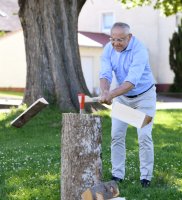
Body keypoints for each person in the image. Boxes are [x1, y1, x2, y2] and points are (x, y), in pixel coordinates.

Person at [99, 22, 156, 187]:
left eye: (120, 40)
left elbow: (131, 82)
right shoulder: (108, 49)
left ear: (129, 37)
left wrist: (111, 94)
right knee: (116, 135)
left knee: (144, 136)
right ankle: (117, 175)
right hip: (122, 99)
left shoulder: (140, 51)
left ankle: (146, 178)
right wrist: (104, 92)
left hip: (144, 98)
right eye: (113, 39)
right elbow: (105, 74)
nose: (116, 43)